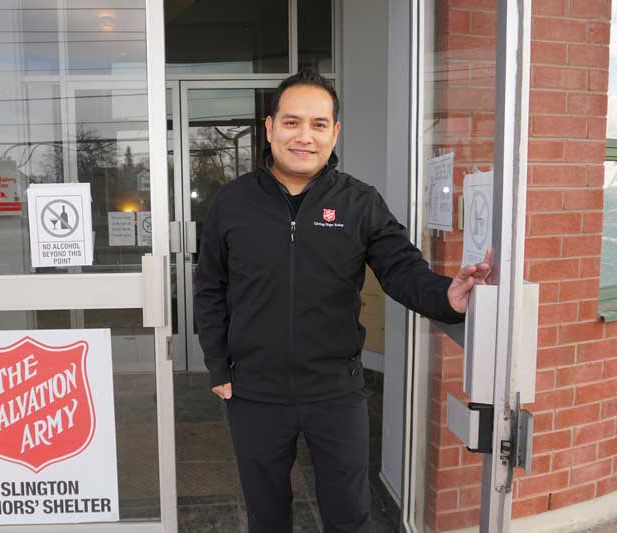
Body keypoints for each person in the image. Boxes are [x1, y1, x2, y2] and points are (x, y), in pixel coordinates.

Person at [194, 69, 491, 533]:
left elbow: (401, 268)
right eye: (292, 123)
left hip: (335, 390)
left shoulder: (358, 203)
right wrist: (219, 366)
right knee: (267, 516)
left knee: (349, 517)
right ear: (270, 128)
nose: (304, 137)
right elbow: (209, 287)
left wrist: (446, 296)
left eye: (318, 124)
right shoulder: (232, 203)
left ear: (334, 133)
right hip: (254, 391)